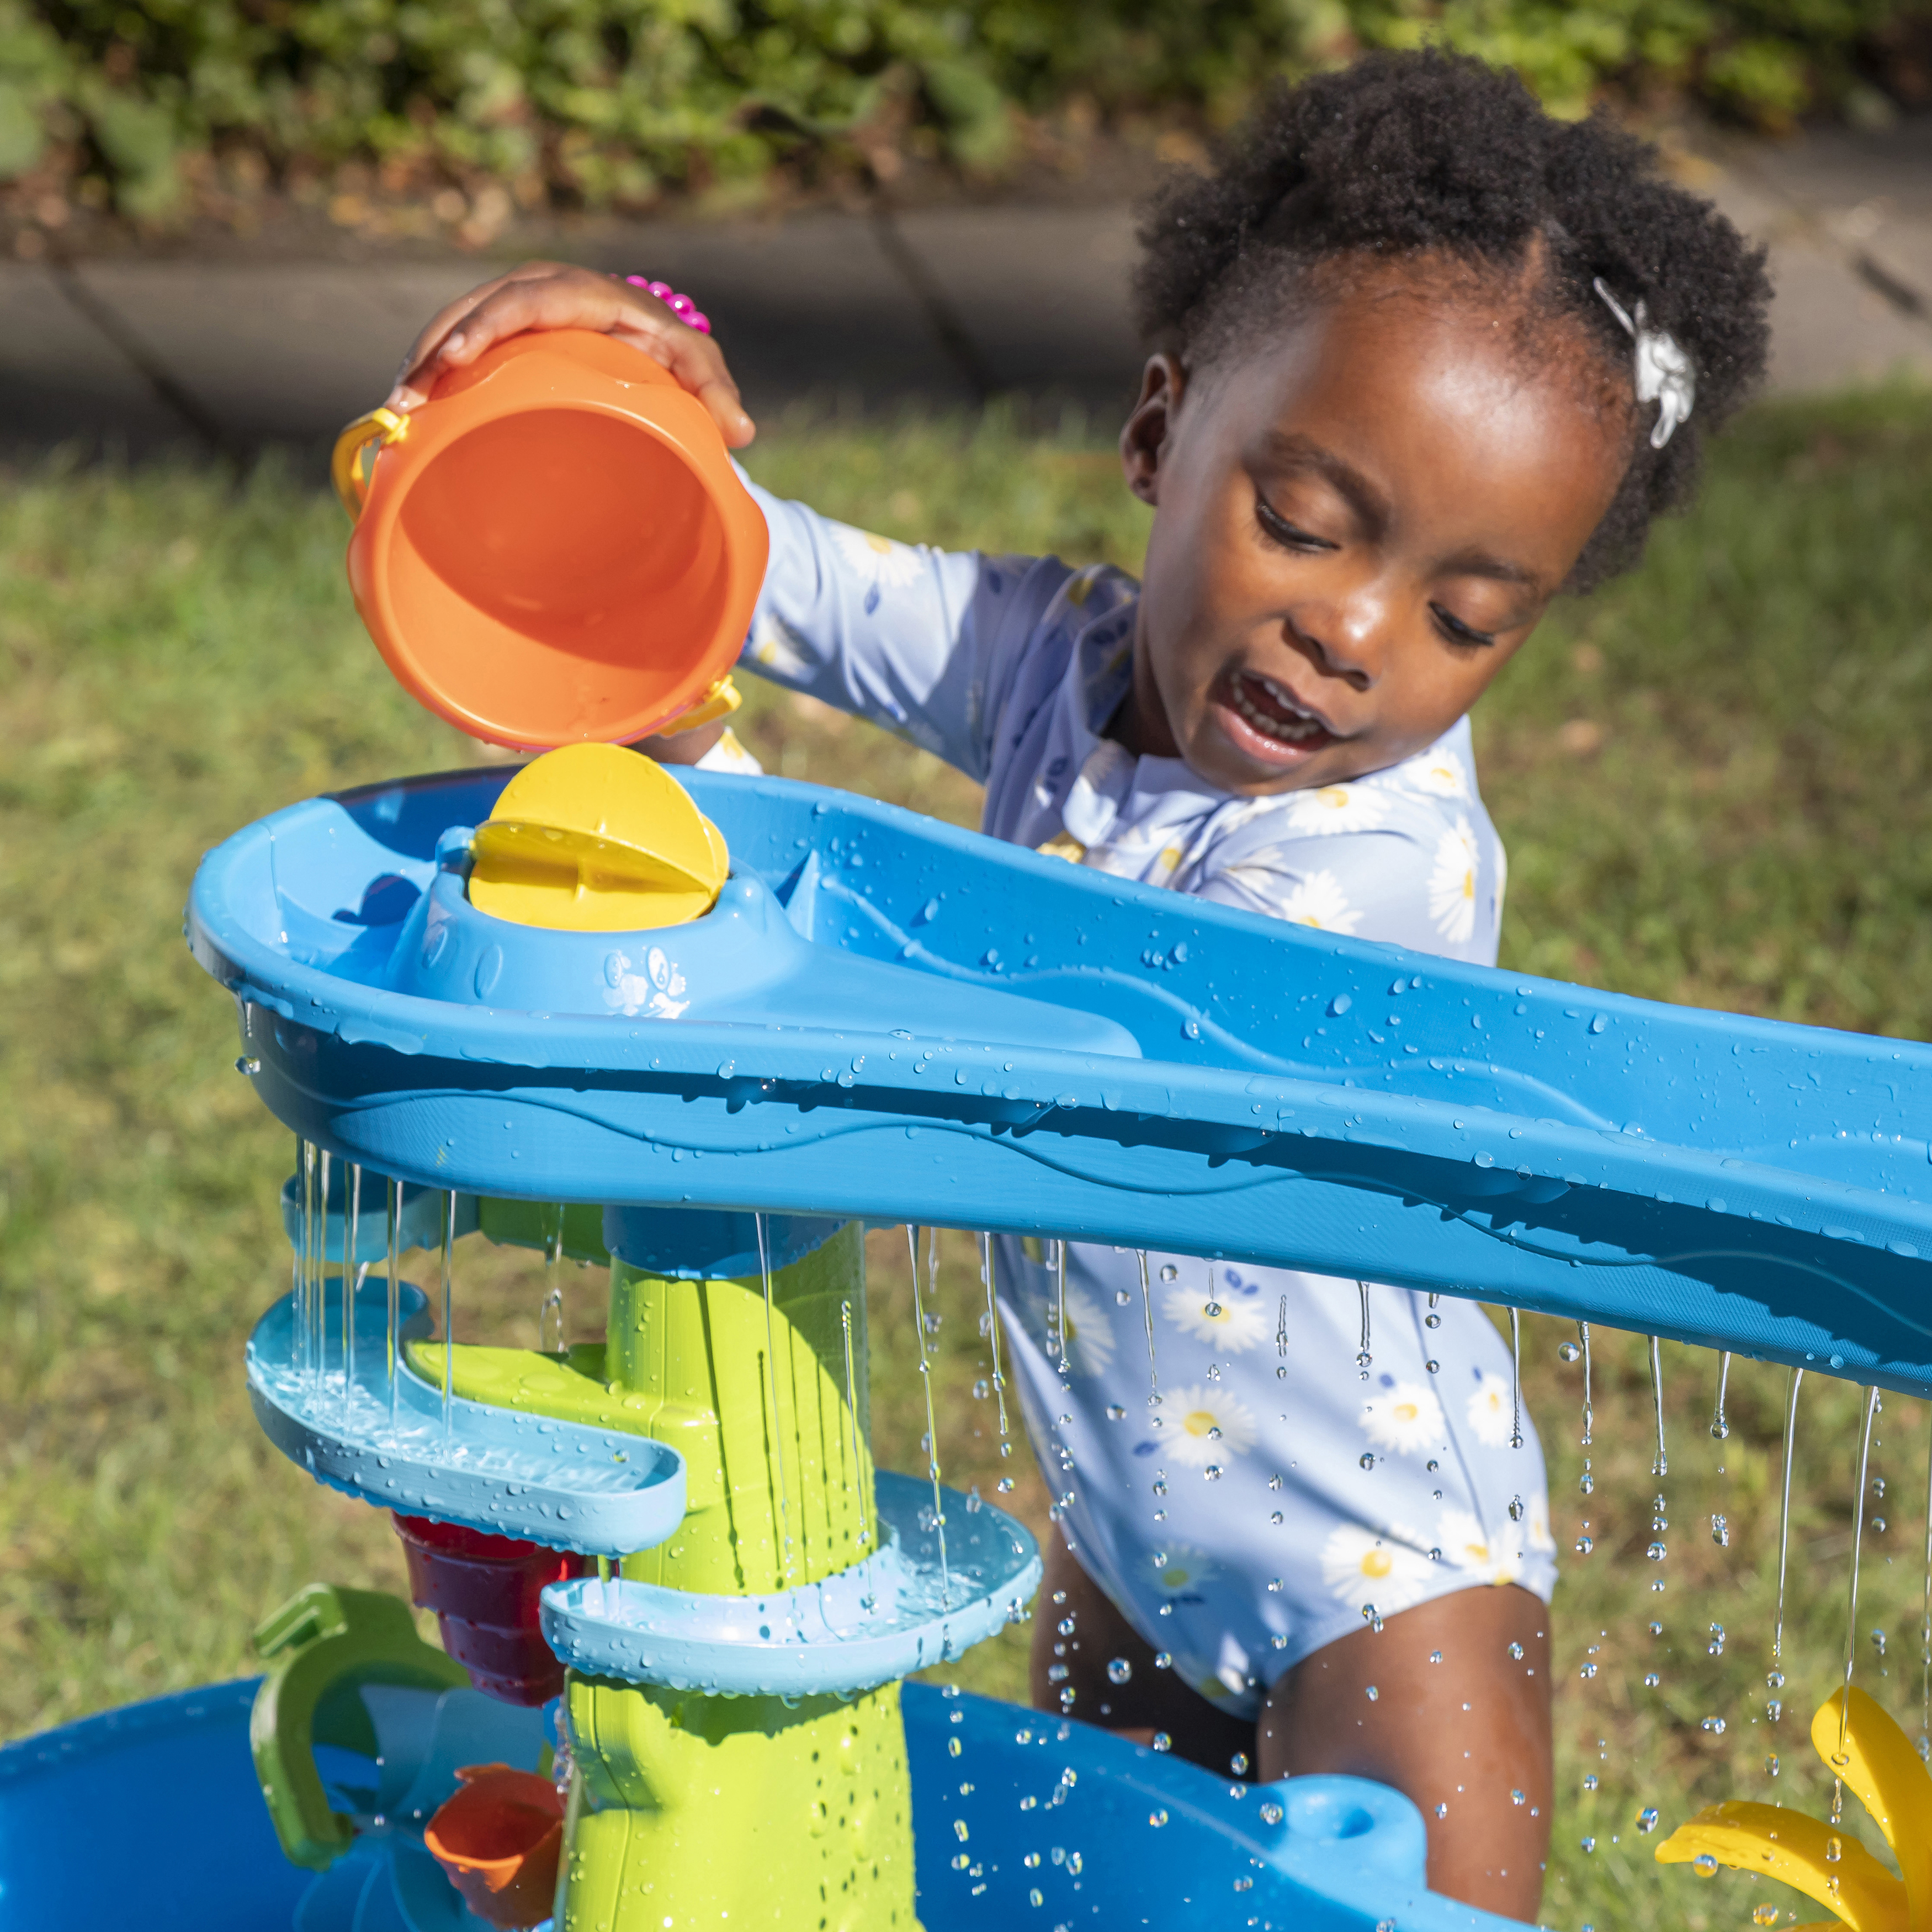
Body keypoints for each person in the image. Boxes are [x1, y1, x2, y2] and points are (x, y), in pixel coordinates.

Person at [384, 50, 1770, 1917]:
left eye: (1463, 616)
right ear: (1158, 433)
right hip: (1128, 1543)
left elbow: (1062, 1040)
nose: (1354, 634)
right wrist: (632, 376)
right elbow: (740, 569)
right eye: (1304, 519)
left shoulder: (1369, 865)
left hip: (1393, 1592)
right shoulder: (1052, 655)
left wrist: (737, 842)